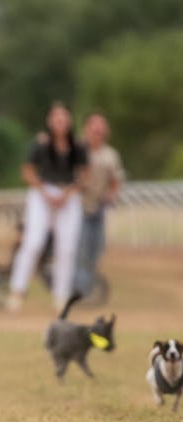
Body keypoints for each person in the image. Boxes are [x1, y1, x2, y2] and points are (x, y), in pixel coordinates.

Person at [7, 102, 88, 312]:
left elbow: (84, 174)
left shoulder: (77, 145)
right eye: (56, 118)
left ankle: (61, 295)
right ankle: (17, 291)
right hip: (42, 193)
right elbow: (27, 170)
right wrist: (44, 191)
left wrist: (68, 192)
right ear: (50, 121)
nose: (60, 122)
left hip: (68, 195)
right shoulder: (41, 144)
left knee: (66, 248)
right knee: (33, 242)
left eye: (64, 118)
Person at [74, 113, 124, 296]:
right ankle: (77, 288)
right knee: (80, 248)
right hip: (78, 206)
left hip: (98, 207)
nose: (97, 132)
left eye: (101, 129)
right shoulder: (77, 150)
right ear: (86, 129)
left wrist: (112, 195)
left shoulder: (110, 155)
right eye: (94, 128)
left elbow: (116, 179)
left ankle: (86, 288)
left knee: (96, 248)